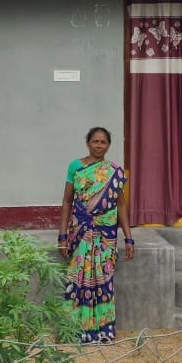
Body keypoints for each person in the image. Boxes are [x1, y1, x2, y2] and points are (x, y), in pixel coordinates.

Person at [58, 126, 134, 345]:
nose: (99, 145)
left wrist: (128, 237)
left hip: (105, 233)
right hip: (80, 231)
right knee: (77, 278)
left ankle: (103, 331)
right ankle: (74, 330)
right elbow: (67, 201)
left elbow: (120, 205)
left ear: (108, 145)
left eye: (103, 142)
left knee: (103, 279)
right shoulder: (76, 166)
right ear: (88, 143)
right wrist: (62, 236)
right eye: (95, 141)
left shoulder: (114, 171)